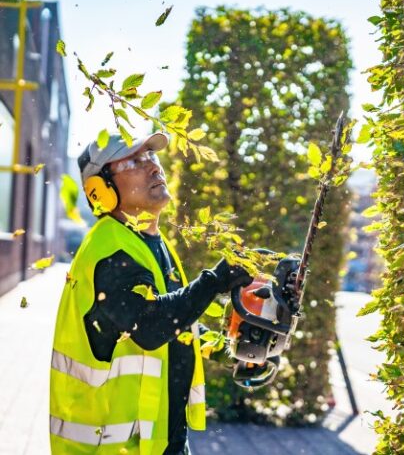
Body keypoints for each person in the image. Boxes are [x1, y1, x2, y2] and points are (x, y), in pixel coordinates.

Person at [49, 132, 252, 455]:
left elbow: (176, 324)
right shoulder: (110, 250)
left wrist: (240, 340)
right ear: (100, 191)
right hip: (112, 446)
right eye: (133, 161)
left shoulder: (150, 242)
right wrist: (216, 280)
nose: (154, 167)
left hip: (156, 440)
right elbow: (148, 325)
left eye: (151, 157)